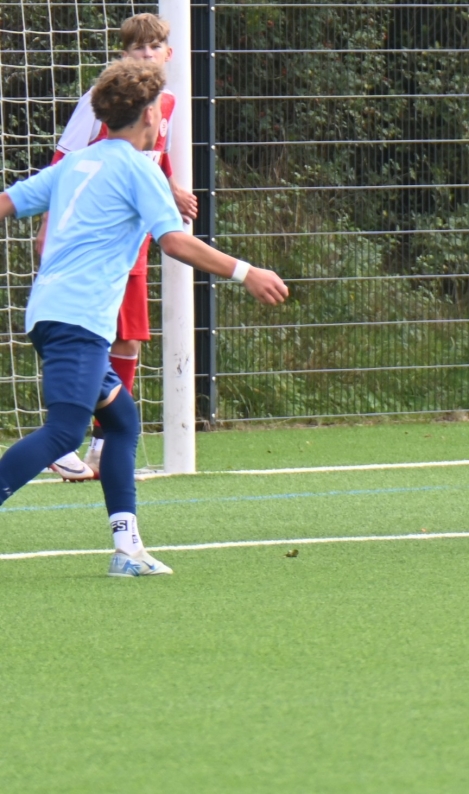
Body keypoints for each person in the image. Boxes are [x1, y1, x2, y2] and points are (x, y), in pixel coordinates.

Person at [0, 60, 287, 575]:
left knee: (121, 420)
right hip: (78, 319)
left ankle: (128, 549)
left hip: (50, 314)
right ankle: (125, 550)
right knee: (64, 434)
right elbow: (174, 241)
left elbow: (7, 202)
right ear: (151, 115)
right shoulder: (139, 169)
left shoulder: (77, 164)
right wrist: (246, 271)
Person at [45, 13, 197, 482]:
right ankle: (62, 437)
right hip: (92, 234)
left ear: (169, 54)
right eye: (137, 48)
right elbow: (63, 160)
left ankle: (101, 444)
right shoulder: (100, 102)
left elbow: (154, 158)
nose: (147, 54)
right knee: (82, 331)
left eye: (154, 47)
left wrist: (172, 187)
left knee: (127, 337)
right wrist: (49, 225)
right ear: (123, 55)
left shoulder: (167, 104)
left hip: (134, 240)